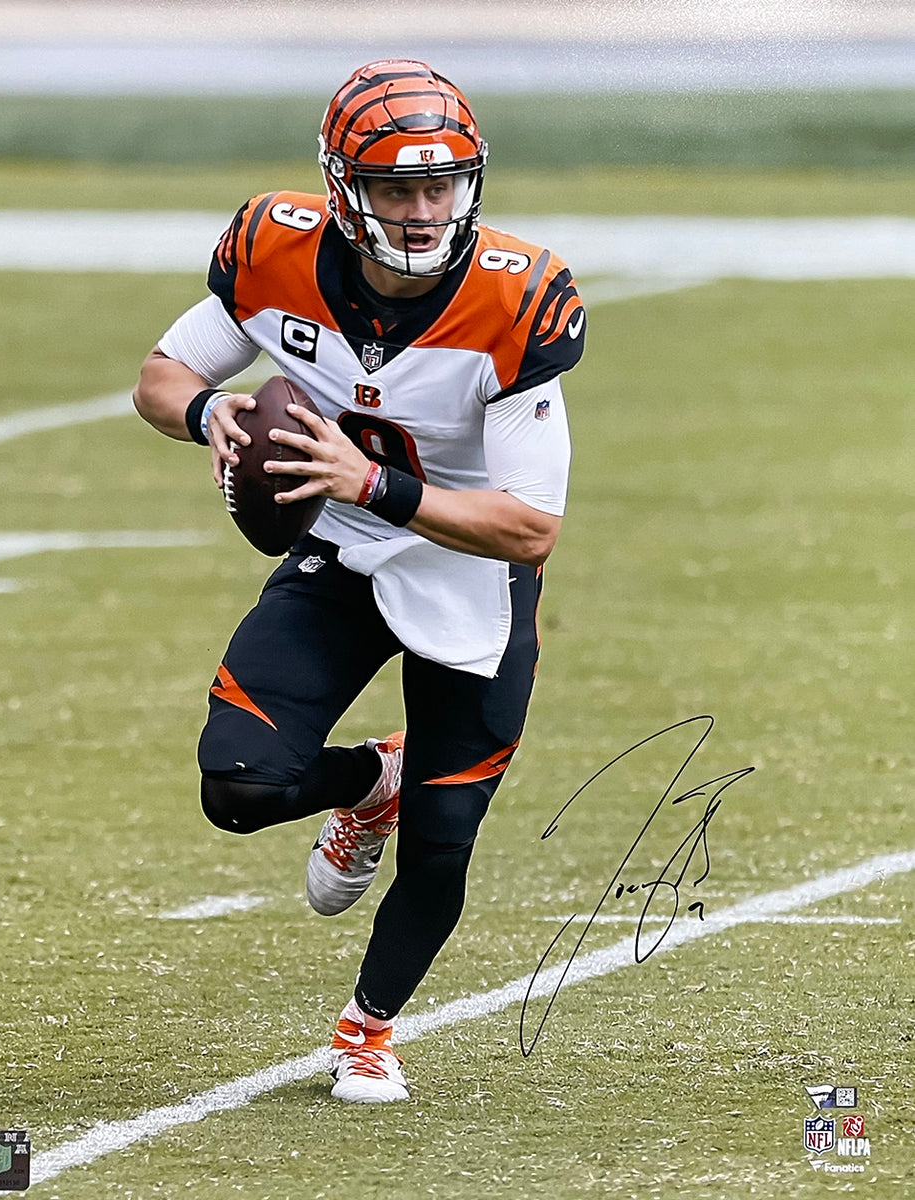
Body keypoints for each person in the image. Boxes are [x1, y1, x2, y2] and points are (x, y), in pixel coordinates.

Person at [133, 58, 585, 1103]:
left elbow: (530, 529)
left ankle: (367, 1030)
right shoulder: (276, 250)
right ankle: (368, 782)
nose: (423, 211)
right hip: (339, 549)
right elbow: (162, 377)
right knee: (239, 785)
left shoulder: (516, 299)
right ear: (343, 189)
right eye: (395, 187)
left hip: (469, 567)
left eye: (441, 184)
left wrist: (372, 483)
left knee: (443, 837)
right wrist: (210, 414)